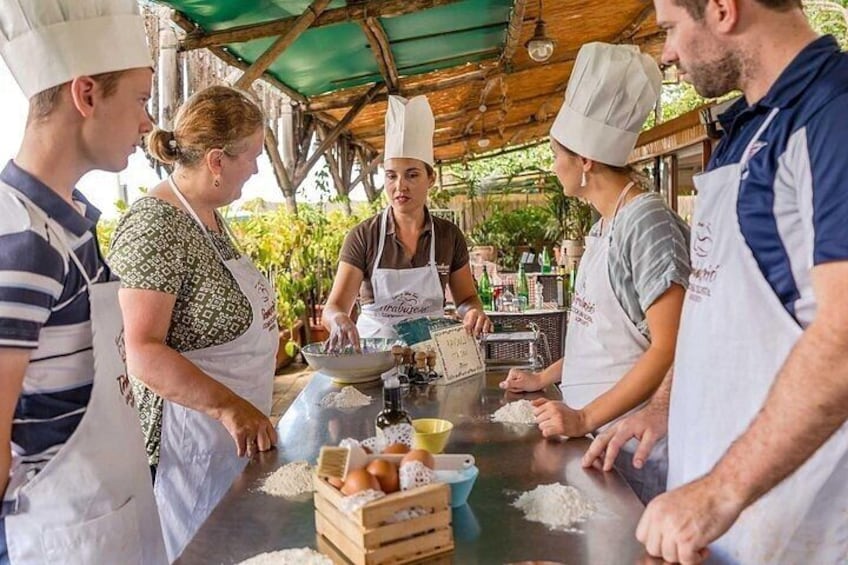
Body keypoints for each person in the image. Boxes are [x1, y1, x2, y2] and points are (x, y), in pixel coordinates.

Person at [583, 1, 848, 562]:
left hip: (795, 531)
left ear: (724, 10)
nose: (667, 52)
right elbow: (717, 301)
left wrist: (722, 489)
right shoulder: (745, 128)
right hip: (714, 528)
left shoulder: (832, 117)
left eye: (670, 29)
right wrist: (663, 406)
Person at [0, 0, 168, 562]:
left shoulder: (73, 223)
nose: (148, 122)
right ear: (87, 94)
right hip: (61, 540)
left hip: (111, 523)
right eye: (141, 99)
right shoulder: (19, 242)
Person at [499, 42, 690, 503]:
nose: (553, 167)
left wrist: (583, 418)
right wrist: (546, 378)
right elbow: (602, 337)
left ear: (584, 160)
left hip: (637, 450)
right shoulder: (606, 223)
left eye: (556, 155)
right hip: (599, 442)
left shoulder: (646, 224)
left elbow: (671, 346)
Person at [107, 85, 278, 560]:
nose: (258, 169)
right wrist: (229, 408)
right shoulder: (155, 226)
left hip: (229, 447)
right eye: (254, 157)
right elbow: (140, 350)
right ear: (218, 161)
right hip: (188, 452)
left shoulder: (210, 217)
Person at [322, 95, 491, 350]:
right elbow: (334, 307)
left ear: (431, 178)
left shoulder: (448, 236)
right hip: (375, 356)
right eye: (391, 176)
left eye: (412, 175)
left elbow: (466, 298)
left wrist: (472, 313)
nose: (400, 186)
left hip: (431, 355)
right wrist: (338, 320)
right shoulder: (363, 236)